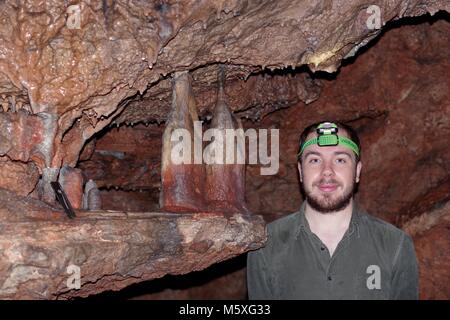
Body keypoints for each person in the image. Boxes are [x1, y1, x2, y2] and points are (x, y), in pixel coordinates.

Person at [247, 121, 419, 299]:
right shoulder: (266, 246)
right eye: (315, 160)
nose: (327, 171)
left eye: (340, 160)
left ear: (357, 171)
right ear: (300, 171)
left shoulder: (395, 245)